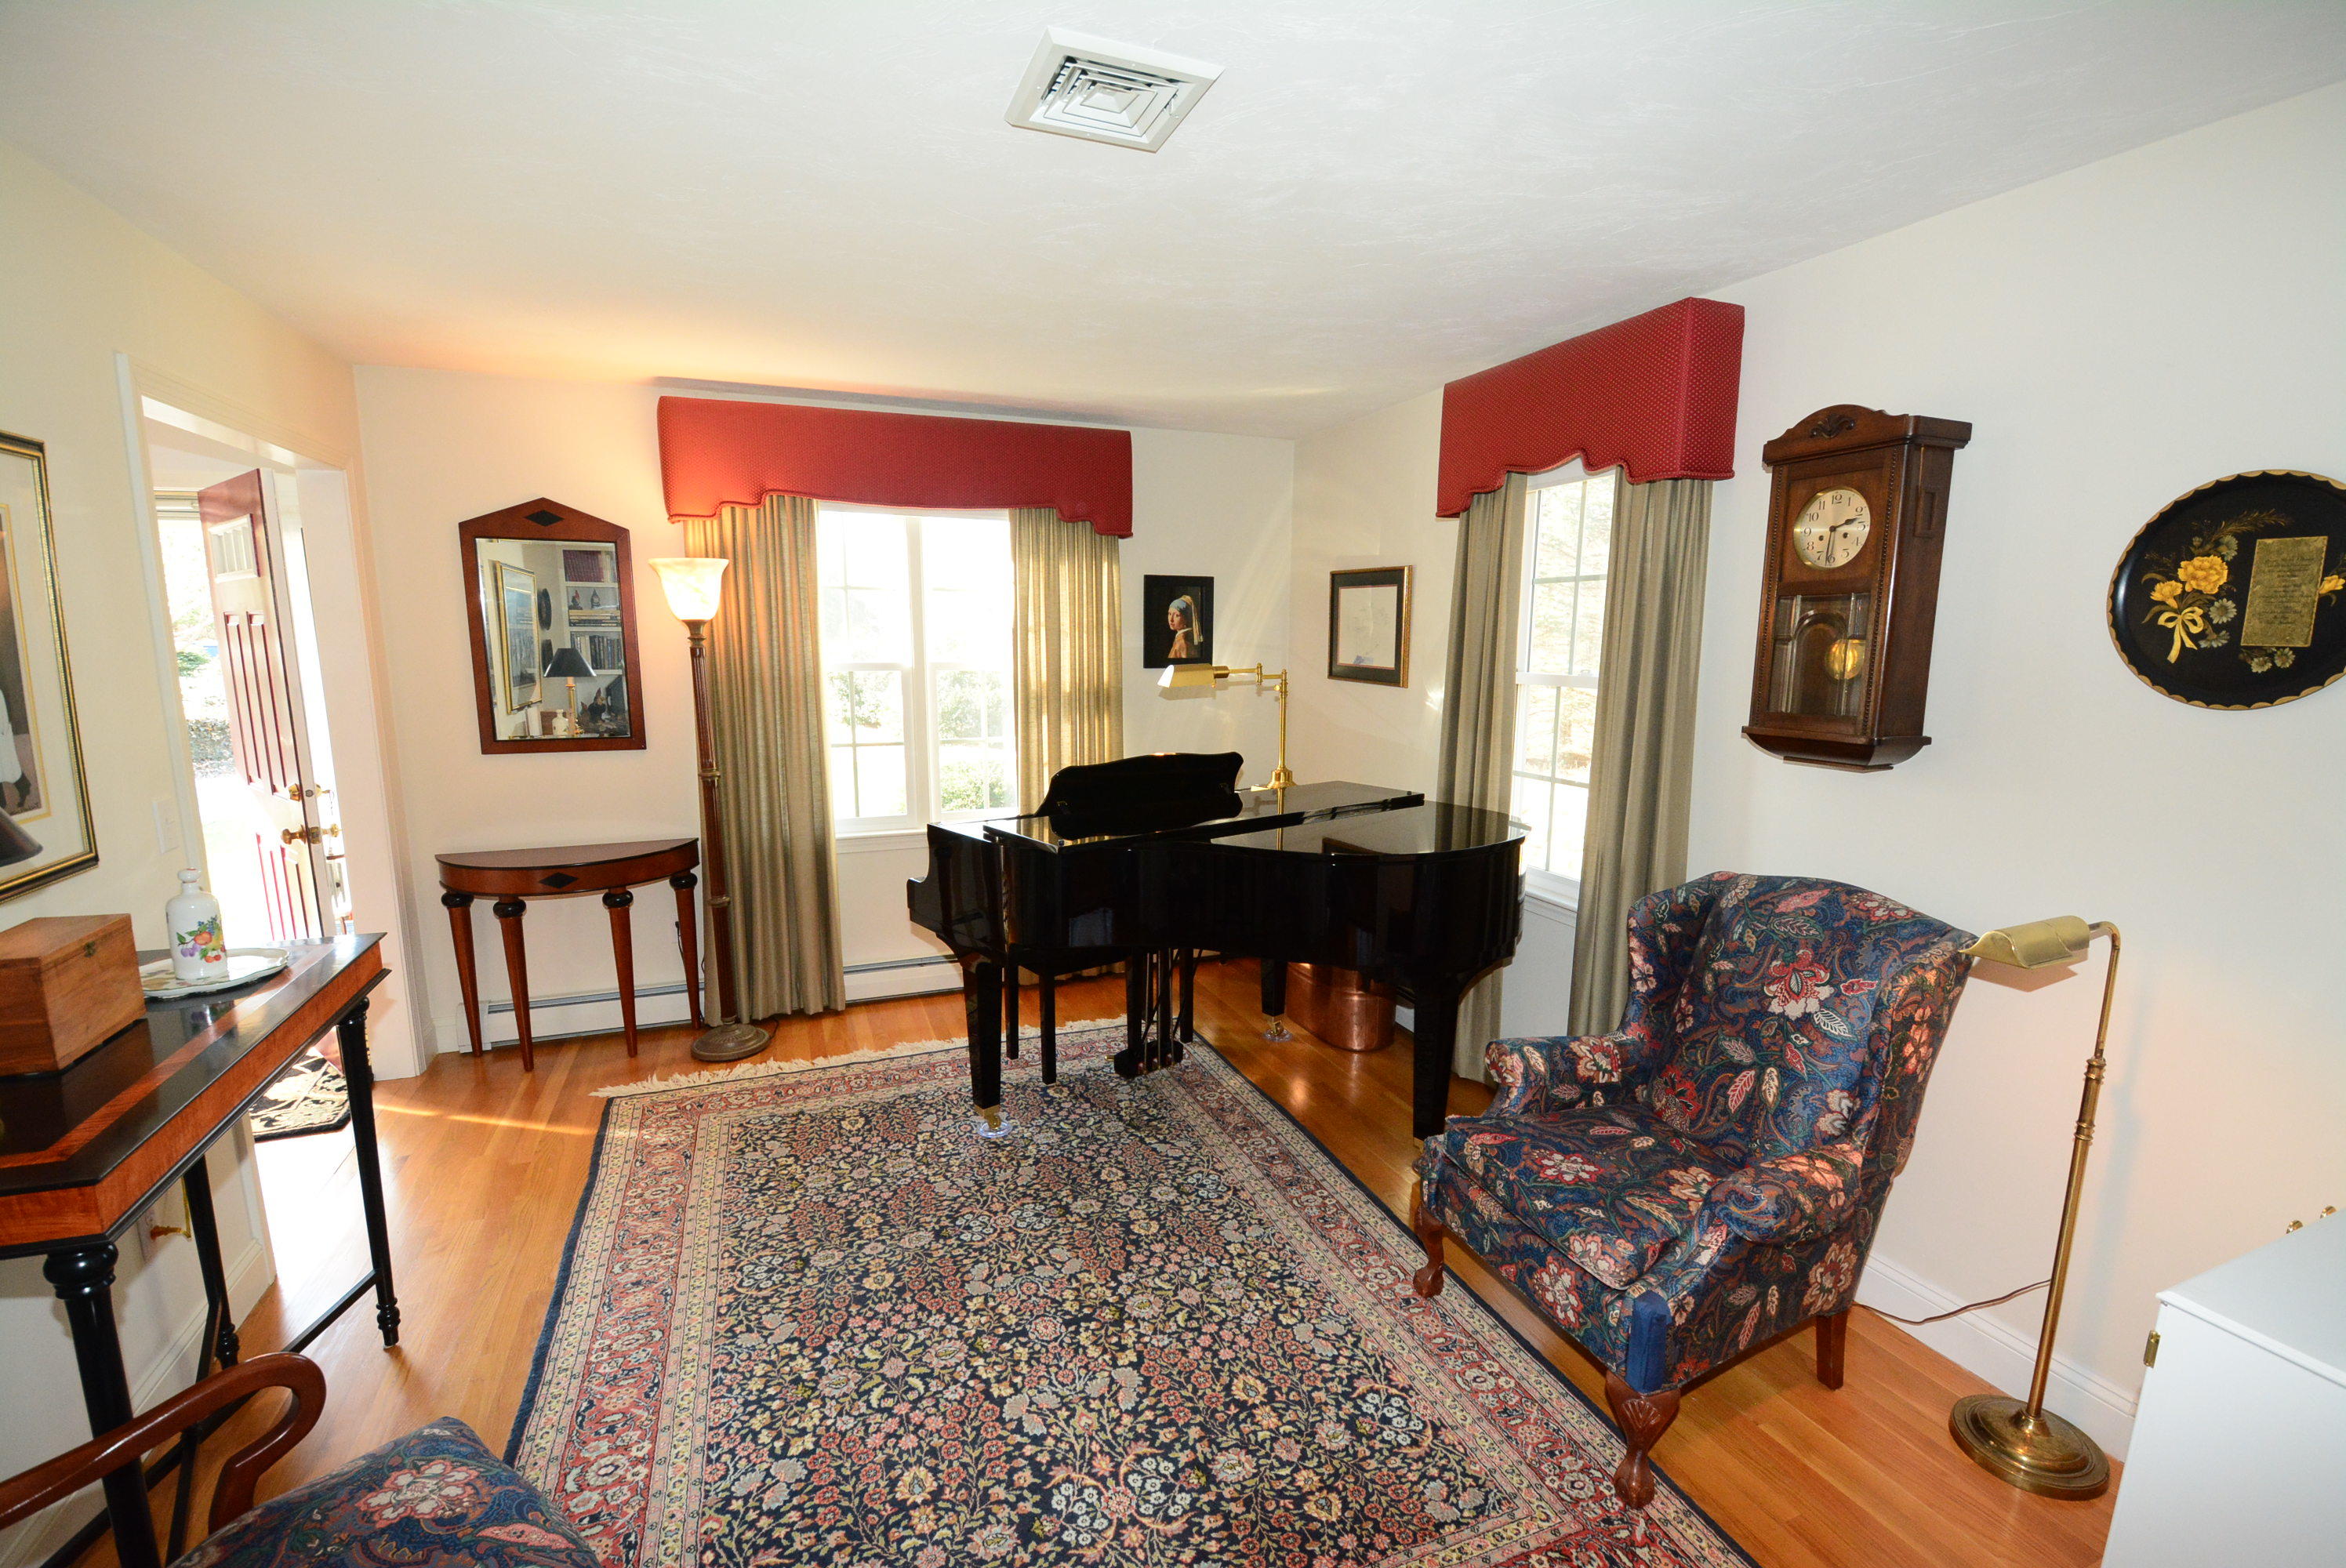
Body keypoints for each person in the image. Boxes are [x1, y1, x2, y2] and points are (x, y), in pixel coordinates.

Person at [1166, 594, 1203, 662]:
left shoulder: (1182, 642)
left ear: (1186, 618)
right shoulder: (1182, 639)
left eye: (1177, 615)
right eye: (1170, 614)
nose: (1171, 619)